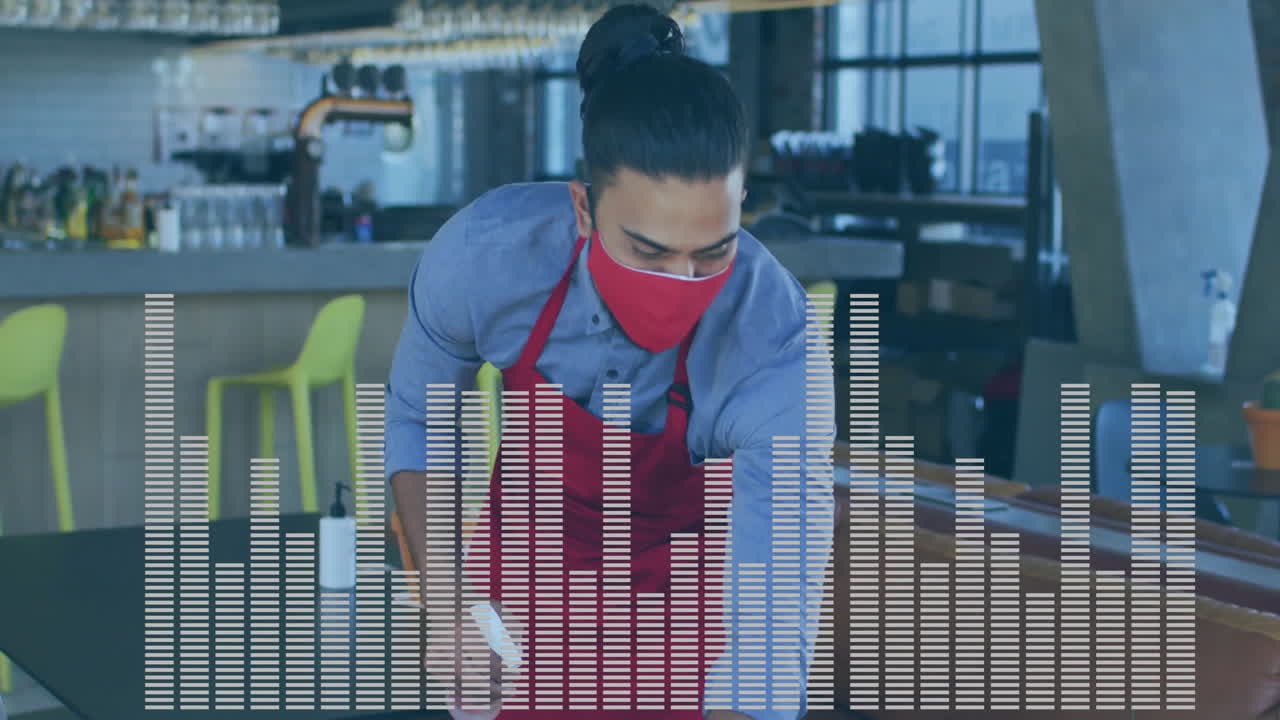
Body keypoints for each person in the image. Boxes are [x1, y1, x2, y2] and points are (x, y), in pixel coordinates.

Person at [385, 4, 835, 719]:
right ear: (585, 209)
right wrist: (445, 603)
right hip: (514, 591)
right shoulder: (487, 258)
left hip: (675, 602)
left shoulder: (775, 339)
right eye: (650, 252)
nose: (682, 286)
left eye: (711, 251)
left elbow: (775, 603)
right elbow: (418, 416)